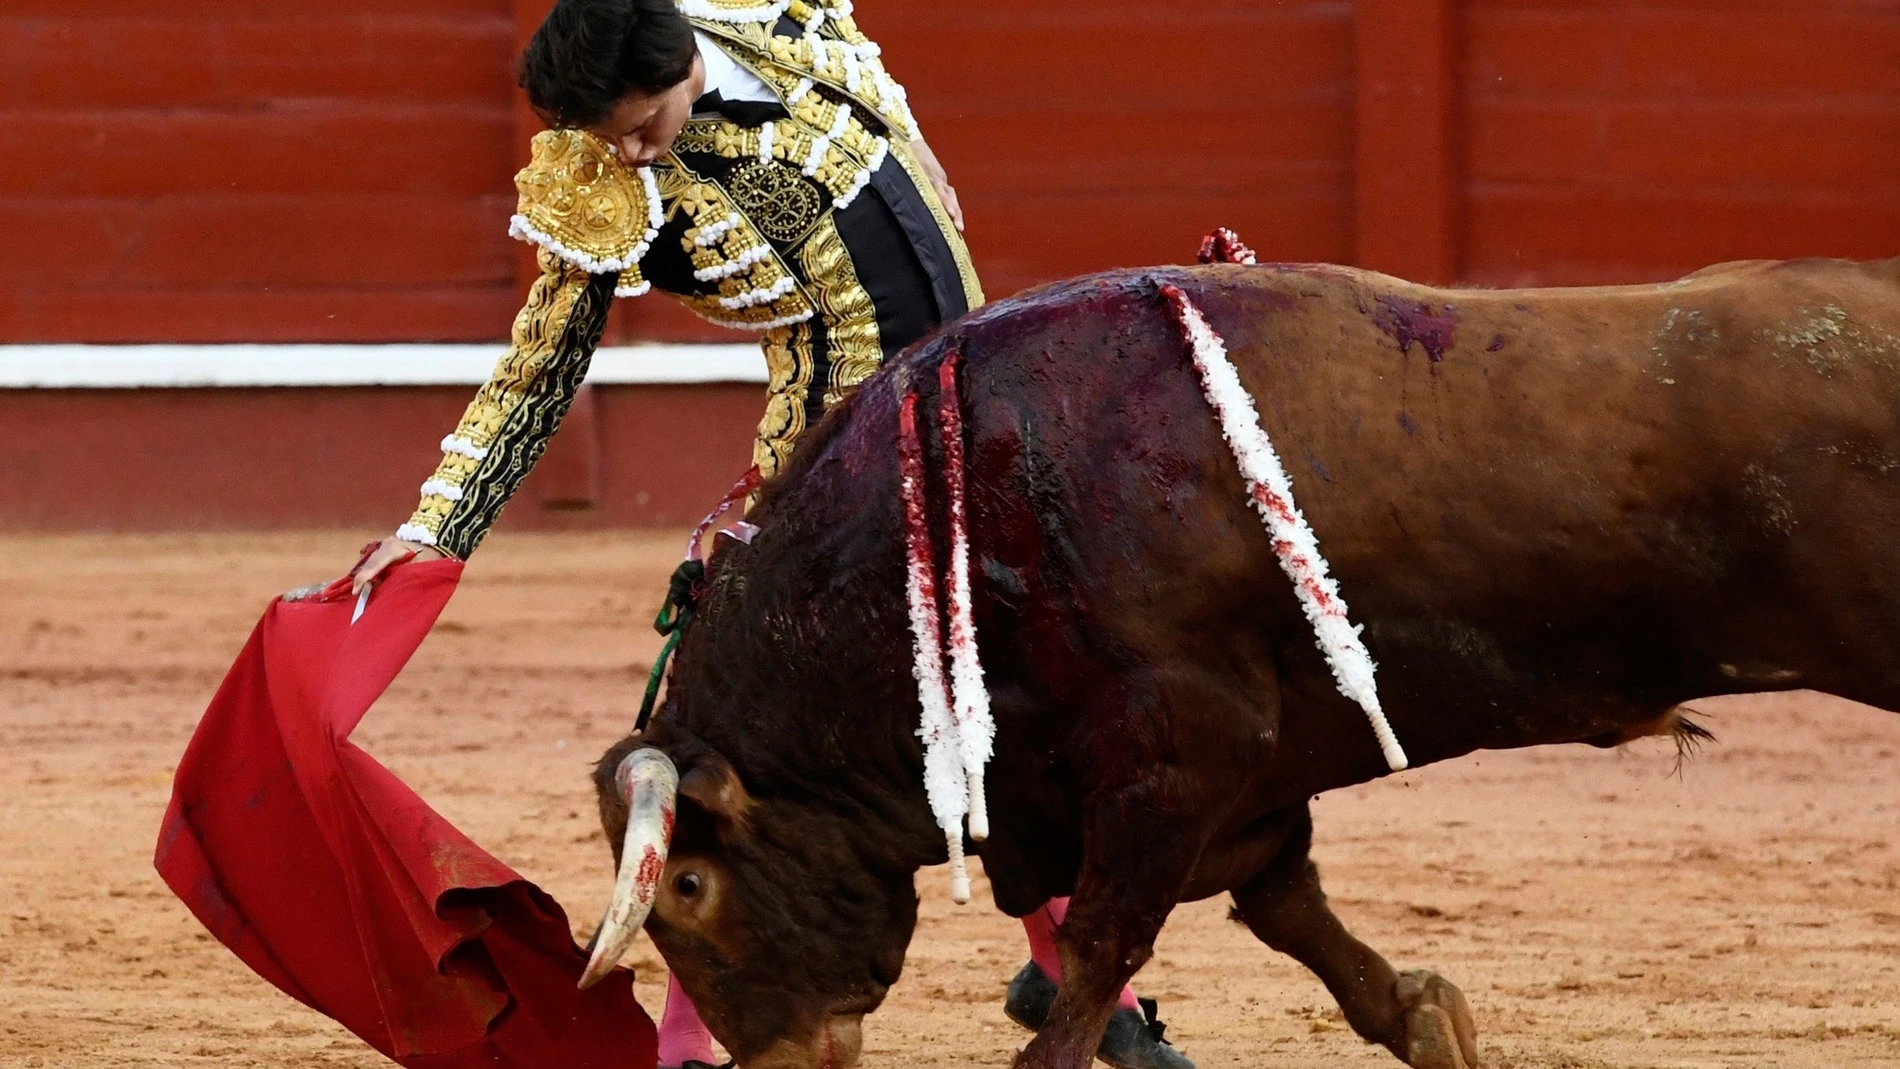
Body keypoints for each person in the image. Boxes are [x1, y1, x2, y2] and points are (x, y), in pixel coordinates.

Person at [336, 2, 1193, 1067]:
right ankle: (699, 1039)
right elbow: (538, 367)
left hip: (978, 429)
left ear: (683, 59)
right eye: (610, 138)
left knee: (1018, 703)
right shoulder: (599, 178)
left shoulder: (759, 15)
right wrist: (439, 526)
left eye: (643, 124)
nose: (630, 153)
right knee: (766, 766)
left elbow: (863, 73)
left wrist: (917, 155)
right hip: (827, 486)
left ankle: (1073, 974)